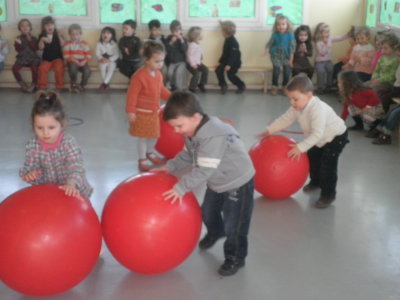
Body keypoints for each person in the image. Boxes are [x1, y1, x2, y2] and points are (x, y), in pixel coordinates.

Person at [153, 91, 255, 276]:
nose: (176, 131)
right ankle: (216, 231)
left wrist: (181, 188)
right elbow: (188, 155)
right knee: (208, 211)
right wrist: (170, 167)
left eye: (179, 126)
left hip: (237, 182)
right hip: (218, 180)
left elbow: (203, 170)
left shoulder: (213, 136)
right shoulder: (191, 131)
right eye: (174, 127)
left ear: (195, 117)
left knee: (236, 225)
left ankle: (235, 258)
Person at [257, 74, 348, 209]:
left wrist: (300, 147)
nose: (292, 102)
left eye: (295, 99)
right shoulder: (297, 107)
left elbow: (318, 133)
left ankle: (328, 195)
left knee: (328, 165)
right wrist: (270, 130)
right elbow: (285, 119)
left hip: (335, 136)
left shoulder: (317, 109)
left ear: (309, 96)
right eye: (290, 99)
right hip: (318, 138)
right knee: (313, 158)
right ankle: (316, 181)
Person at [20, 90, 92, 199]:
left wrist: (71, 184)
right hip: (48, 193)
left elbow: (77, 167)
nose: (45, 133)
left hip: (73, 192)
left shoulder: (68, 143)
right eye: (39, 128)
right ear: (33, 125)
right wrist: (29, 174)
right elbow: (28, 168)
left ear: (62, 125)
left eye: (51, 127)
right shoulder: (32, 145)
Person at [125, 40, 171, 172]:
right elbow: (132, 95)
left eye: (162, 61)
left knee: (154, 135)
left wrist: (172, 97)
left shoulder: (158, 75)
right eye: (157, 61)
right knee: (143, 137)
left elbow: (161, 90)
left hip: (153, 112)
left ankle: (150, 153)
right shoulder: (138, 76)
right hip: (141, 112)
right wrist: (131, 111)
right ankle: (142, 159)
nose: (160, 64)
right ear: (146, 59)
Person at [313, 22, 350, 94]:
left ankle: (329, 86)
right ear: (320, 32)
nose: (327, 33)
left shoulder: (329, 39)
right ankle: (320, 87)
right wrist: (326, 44)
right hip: (319, 62)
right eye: (325, 32)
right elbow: (322, 52)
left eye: (328, 31)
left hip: (328, 61)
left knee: (331, 70)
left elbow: (339, 38)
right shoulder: (318, 41)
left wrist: (348, 35)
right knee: (321, 72)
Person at [265, 14, 295, 95]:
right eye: (278, 24)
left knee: (287, 72)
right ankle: (274, 87)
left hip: (286, 56)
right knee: (276, 71)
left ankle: (285, 87)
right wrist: (267, 51)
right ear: (276, 25)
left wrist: (291, 60)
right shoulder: (275, 35)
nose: (281, 26)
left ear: (287, 25)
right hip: (276, 56)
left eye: (283, 24)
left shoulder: (290, 35)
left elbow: (292, 48)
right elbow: (269, 43)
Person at [371, 32, 400, 113]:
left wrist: (379, 80)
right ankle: (367, 109)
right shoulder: (382, 58)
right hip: (378, 80)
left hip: (389, 83)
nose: (382, 51)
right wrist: (374, 77)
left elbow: (392, 76)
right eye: (382, 48)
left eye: (386, 48)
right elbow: (377, 70)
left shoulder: (396, 60)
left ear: (394, 48)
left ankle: (379, 112)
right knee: (363, 87)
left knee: (376, 90)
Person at [216, 20, 245, 94]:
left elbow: (233, 55)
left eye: (222, 31)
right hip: (226, 61)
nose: (221, 32)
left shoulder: (233, 41)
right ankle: (223, 85)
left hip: (234, 63)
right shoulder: (227, 39)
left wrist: (229, 65)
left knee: (230, 75)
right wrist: (222, 62)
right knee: (218, 70)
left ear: (226, 31)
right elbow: (226, 53)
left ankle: (241, 85)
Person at [12, 19, 40, 93]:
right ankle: (22, 83)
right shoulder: (18, 38)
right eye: (22, 26)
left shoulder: (33, 38)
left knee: (34, 68)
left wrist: (30, 40)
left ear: (30, 28)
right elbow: (18, 50)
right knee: (14, 68)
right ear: (19, 28)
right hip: (22, 58)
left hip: (32, 58)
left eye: (27, 25)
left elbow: (35, 48)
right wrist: (19, 44)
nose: (25, 27)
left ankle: (34, 83)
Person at [38, 16, 65, 91]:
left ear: (54, 26)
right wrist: (42, 40)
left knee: (59, 69)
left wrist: (59, 36)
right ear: (44, 27)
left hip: (57, 58)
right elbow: (41, 48)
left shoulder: (58, 34)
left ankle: (59, 86)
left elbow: (62, 44)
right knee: (42, 69)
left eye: (51, 24)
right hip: (46, 59)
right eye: (47, 25)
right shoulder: (42, 36)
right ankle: (42, 86)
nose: (50, 26)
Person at [63, 24, 92, 93]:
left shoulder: (84, 43)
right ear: (69, 35)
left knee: (87, 71)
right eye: (72, 34)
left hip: (83, 61)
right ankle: (73, 83)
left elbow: (89, 55)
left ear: (80, 34)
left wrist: (84, 61)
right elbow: (66, 55)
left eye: (77, 34)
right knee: (72, 69)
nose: (75, 36)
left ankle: (82, 85)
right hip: (72, 61)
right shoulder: (67, 43)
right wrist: (75, 60)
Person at [165, 20, 187, 91]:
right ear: (171, 32)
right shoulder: (169, 38)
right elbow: (166, 49)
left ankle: (179, 89)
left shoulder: (183, 39)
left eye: (178, 31)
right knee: (169, 73)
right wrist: (171, 42)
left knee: (178, 73)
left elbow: (185, 50)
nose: (177, 33)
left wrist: (181, 41)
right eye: (175, 32)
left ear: (181, 30)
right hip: (172, 62)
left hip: (181, 62)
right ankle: (173, 85)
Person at [96, 26, 119, 91]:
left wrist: (109, 60)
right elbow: (97, 53)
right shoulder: (99, 43)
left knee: (110, 68)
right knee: (102, 67)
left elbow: (116, 55)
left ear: (112, 35)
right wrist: (101, 59)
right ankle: (106, 83)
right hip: (102, 60)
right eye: (103, 33)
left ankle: (104, 83)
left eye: (108, 33)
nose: (105, 35)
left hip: (112, 60)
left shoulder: (114, 44)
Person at [186, 26, 208, 93]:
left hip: (197, 63)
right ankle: (191, 88)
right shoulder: (192, 45)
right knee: (196, 73)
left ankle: (201, 84)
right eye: (201, 34)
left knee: (206, 70)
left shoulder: (197, 44)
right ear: (196, 36)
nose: (202, 35)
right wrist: (193, 64)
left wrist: (200, 59)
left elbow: (197, 54)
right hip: (190, 64)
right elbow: (190, 55)